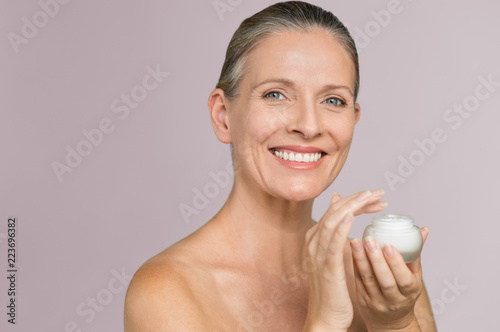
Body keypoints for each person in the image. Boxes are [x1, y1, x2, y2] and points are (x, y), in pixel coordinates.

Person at [124, 1, 437, 331]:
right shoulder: (167, 292)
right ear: (223, 116)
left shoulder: (382, 278)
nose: (308, 125)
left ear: (353, 119)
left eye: (333, 100)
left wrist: (395, 323)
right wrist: (325, 321)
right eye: (276, 94)